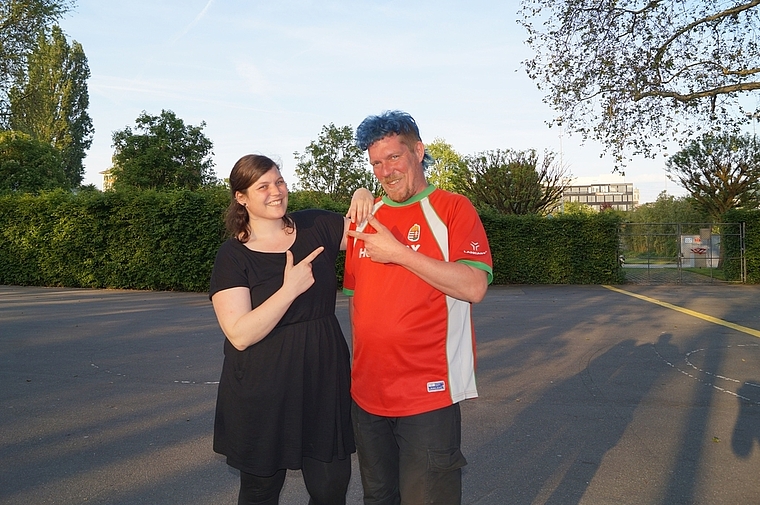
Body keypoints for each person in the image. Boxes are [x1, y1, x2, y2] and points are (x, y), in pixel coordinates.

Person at [343, 111, 493, 505]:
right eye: (375, 163)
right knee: (378, 499)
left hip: (427, 396)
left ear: (419, 151)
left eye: (393, 157)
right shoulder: (367, 216)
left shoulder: (453, 208)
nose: (385, 171)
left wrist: (399, 253)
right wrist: (362, 196)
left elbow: (474, 287)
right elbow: (358, 300)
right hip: (367, 395)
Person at [209, 154, 374, 505]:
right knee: (260, 492)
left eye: (279, 181)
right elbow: (239, 333)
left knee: (331, 488)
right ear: (241, 197)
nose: (276, 191)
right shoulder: (233, 256)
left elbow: (372, 229)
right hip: (262, 387)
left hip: (322, 375)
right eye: (263, 186)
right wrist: (289, 290)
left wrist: (363, 192)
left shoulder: (317, 226)